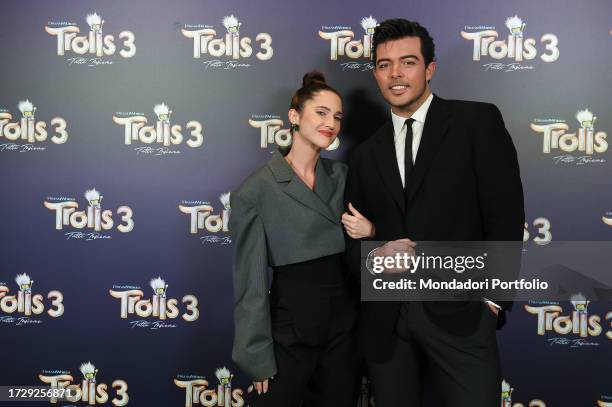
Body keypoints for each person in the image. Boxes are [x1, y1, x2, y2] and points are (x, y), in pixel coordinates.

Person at [343, 19, 525, 406]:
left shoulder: (475, 122)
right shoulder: (363, 154)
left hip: (461, 315)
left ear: (429, 69)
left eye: (407, 62)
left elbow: (505, 214)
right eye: (383, 64)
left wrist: (493, 300)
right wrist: (376, 256)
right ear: (375, 73)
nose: (395, 74)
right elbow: (352, 240)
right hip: (387, 324)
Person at [230, 71, 371, 406]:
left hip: (344, 321)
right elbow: (249, 283)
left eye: (337, 116)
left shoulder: (342, 176)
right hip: (290, 324)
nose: (331, 123)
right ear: (294, 117)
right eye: (321, 113)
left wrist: (373, 232)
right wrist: (255, 355)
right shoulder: (255, 190)